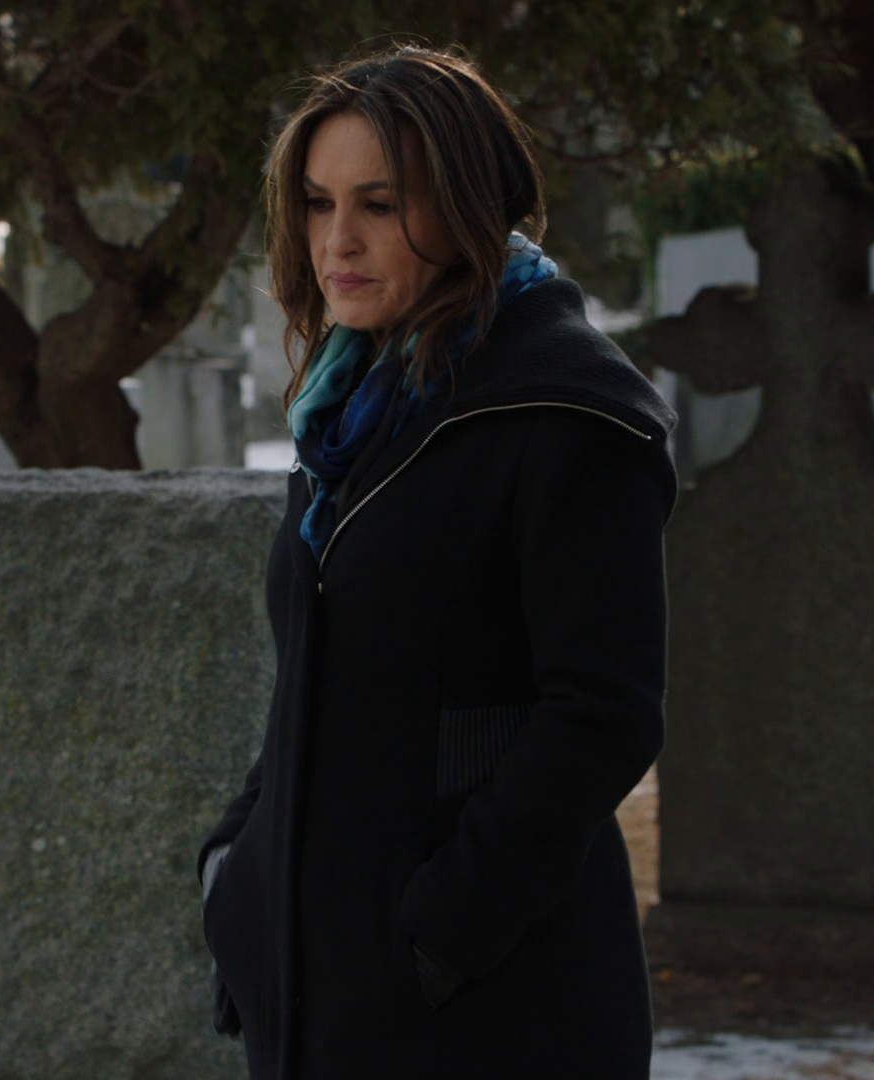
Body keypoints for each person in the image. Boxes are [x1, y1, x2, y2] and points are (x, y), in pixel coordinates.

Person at [196, 46, 677, 1078]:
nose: (338, 240)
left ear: (466, 208)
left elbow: (603, 714)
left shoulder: (568, 413)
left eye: (379, 204)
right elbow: (319, 679)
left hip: (488, 1009)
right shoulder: (349, 411)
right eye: (319, 203)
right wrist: (236, 871)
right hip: (313, 990)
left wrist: (437, 939)